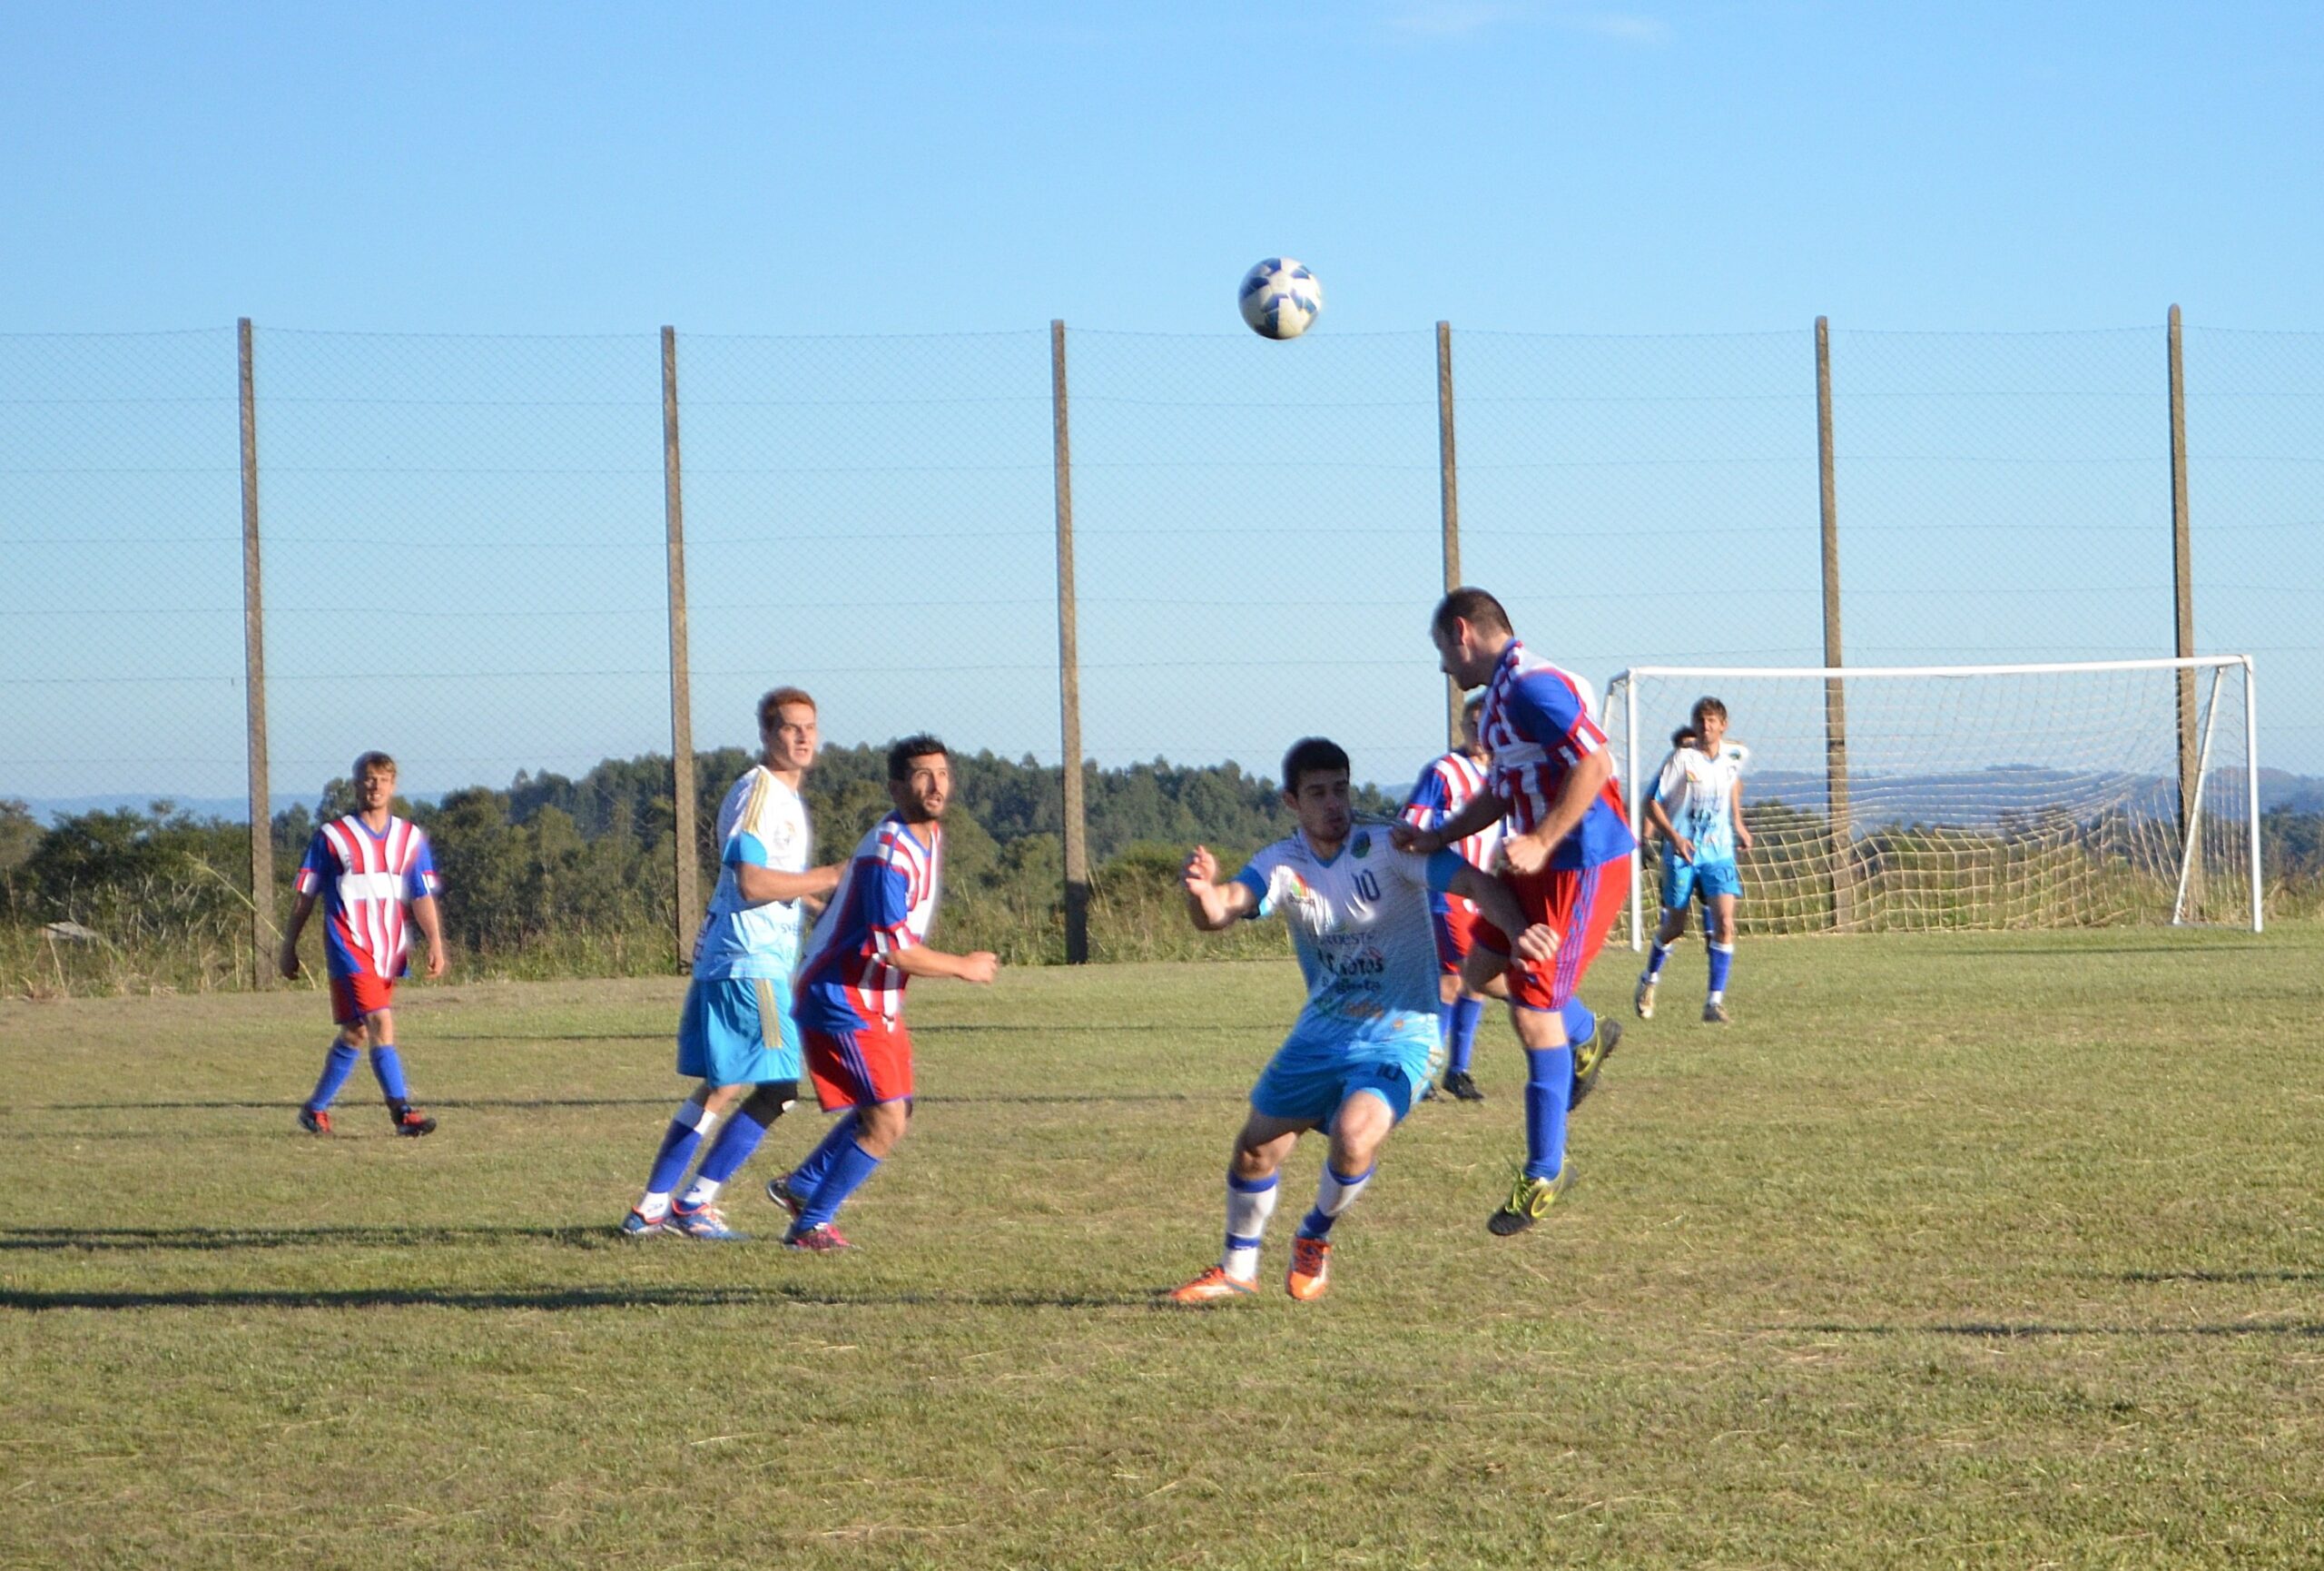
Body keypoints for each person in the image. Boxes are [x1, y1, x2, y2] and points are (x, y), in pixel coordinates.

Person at [1168, 737, 1559, 1303]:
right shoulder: (1282, 863)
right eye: (1317, 793)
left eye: (1341, 790)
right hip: (1321, 1035)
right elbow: (1223, 908)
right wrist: (1203, 894)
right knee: (1255, 1150)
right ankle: (1236, 1269)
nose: (1333, 804)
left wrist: (1517, 929)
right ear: (1291, 802)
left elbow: (1477, 882)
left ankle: (1315, 1234)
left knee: (1353, 1137)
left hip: (1403, 1036)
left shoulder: (1388, 846)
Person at [1392, 587, 1636, 1236]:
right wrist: (1438, 835)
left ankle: (1544, 1170)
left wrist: (1544, 838)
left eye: (1443, 649)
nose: (1444, 665)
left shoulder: (1531, 687)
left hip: (1580, 863)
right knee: (1480, 973)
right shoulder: (1499, 699)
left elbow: (1597, 761)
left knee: (1533, 1015)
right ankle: (1585, 1038)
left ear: (1463, 632)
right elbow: (1503, 792)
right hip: (1536, 861)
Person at [622, 687, 842, 1240]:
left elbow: (765, 883)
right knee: (775, 1089)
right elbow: (751, 883)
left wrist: (818, 903)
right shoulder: (762, 793)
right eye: (791, 728)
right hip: (749, 962)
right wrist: (831, 876)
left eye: (810, 727)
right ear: (767, 735)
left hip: (744, 957)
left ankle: (656, 1207)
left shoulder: (781, 797)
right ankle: (687, 1204)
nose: (803, 737)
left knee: (726, 1086)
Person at [766, 736, 999, 1251]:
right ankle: (810, 1225)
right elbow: (895, 950)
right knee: (886, 1118)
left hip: (872, 997)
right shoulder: (887, 855)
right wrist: (964, 967)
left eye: (942, 772)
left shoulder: (929, 834)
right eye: (922, 775)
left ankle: (803, 1187)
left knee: (894, 1110)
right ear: (897, 787)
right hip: (841, 997)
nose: (936, 784)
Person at [278, 751, 446, 1137]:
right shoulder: (333, 836)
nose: (375, 786)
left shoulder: (410, 838)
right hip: (347, 944)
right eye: (368, 779)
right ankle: (402, 1112)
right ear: (356, 784)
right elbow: (306, 894)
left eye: (383, 779)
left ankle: (314, 1109)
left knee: (356, 1031)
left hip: (388, 948)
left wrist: (436, 941)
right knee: (381, 1021)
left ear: (393, 785)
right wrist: (289, 944)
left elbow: (421, 894)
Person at [1399, 695, 1502, 1102]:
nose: (1479, 734)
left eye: (1486, 725)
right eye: (1471, 725)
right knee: (1457, 979)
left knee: (1467, 980)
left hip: (1487, 893)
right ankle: (1426, 1072)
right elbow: (1413, 820)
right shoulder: (1445, 771)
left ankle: (1454, 1071)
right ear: (1462, 728)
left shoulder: (1502, 777)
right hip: (1450, 891)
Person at [1637, 697, 1752, 1024]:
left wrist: (1739, 824)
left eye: (1712, 720)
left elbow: (1732, 786)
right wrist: (1672, 837)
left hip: (1718, 852)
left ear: (1723, 725)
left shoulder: (1732, 758)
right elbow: (1651, 803)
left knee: (1725, 923)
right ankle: (1650, 978)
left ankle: (1714, 1003)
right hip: (1683, 852)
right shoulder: (1681, 759)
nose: (1706, 726)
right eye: (1701, 720)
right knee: (1675, 926)